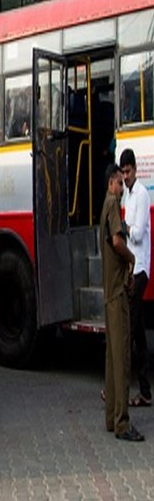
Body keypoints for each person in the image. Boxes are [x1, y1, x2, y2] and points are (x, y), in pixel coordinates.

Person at [102, 162, 143, 441]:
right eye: (119, 181)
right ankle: (122, 422)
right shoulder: (113, 203)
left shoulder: (104, 205)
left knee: (111, 358)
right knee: (122, 359)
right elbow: (117, 241)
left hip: (108, 293)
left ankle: (110, 417)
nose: (122, 186)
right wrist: (131, 258)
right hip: (118, 293)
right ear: (112, 182)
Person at [122, 148, 152, 406]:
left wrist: (125, 229)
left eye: (128, 171)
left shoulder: (141, 194)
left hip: (140, 269)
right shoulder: (128, 194)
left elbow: (139, 234)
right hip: (132, 269)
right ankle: (145, 391)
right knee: (139, 332)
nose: (126, 176)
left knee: (128, 331)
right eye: (123, 173)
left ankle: (117, 389)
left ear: (135, 169)